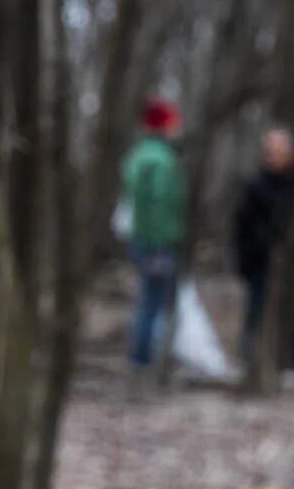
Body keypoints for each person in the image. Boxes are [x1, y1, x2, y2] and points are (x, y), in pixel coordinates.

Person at [233, 127, 294, 371]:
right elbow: (243, 226)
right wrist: (247, 260)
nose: (274, 157)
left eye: (280, 151)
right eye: (270, 152)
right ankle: (249, 364)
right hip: (260, 261)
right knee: (255, 315)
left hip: (293, 264)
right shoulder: (255, 185)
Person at [122, 97, 185, 373]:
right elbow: (160, 202)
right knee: (154, 301)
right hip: (156, 241)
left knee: (147, 298)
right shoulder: (162, 160)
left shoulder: (137, 156)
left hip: (140, 238)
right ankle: (144, 359)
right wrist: (161, 241)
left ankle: (141, 356)